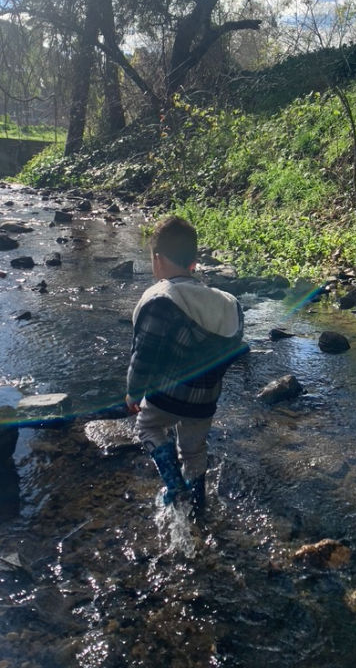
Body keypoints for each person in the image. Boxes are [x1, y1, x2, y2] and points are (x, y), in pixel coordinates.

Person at [125, 216, 248, 515]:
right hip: (205, 400)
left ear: (157, 259)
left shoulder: (161, 299)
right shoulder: (226, 303)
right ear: (193, 260)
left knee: (148, 426)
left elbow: (144, 353)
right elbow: (234, 351)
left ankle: (174, 485)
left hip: (167, 395)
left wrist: (133, 392)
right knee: (194, 451)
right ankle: (197, 506)